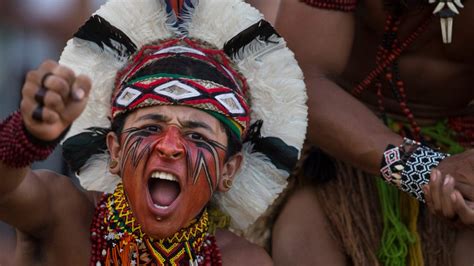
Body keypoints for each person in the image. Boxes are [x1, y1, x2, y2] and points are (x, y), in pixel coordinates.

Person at [0, 0, 307, 264]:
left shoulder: (242, 261)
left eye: (197, 136)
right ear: (116, 150)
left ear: (229, 169)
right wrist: (28, 136)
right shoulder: (63, 217)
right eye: (150, 128)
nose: (169, 145)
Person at [259, 0, 474, 265]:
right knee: (304, 246)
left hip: (458, 143)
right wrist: (423, 168)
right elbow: (300, 80)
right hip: (337, 145)